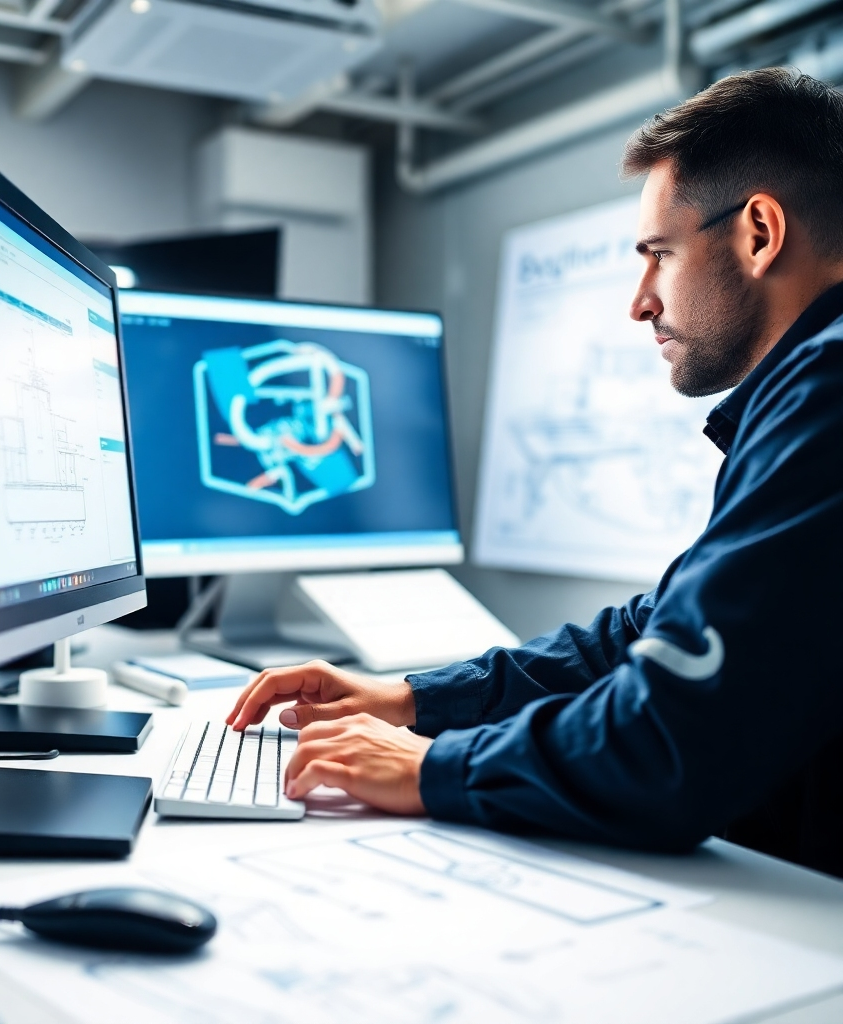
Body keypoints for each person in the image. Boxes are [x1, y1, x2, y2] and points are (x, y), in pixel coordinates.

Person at [227, 68, 843, 878]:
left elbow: (675, 741)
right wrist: (414, 701)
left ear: (759, 232)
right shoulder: (805, 396)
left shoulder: (827, 396)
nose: (640, 301)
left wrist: (431, 767)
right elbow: (647, 634)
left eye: (658, 254)